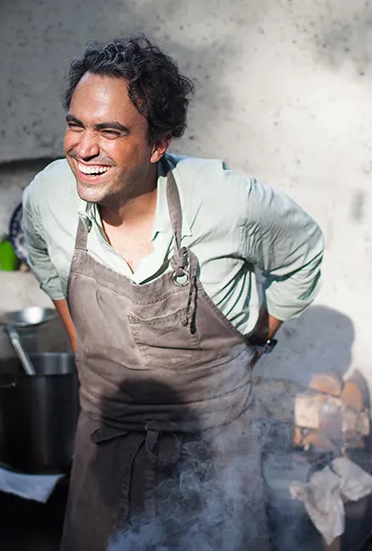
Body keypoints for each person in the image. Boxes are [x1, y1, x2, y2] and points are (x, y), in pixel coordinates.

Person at [21, 35, 325, 550]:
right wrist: (80, 343)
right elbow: (48, 268)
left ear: (158, 144)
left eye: (109, 131)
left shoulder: (229, 202)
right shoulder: (48, 195)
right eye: (76, 125)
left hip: (214, 455)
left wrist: (258, 339)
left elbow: (305, 251)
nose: (84, 148)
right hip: (104, 447)